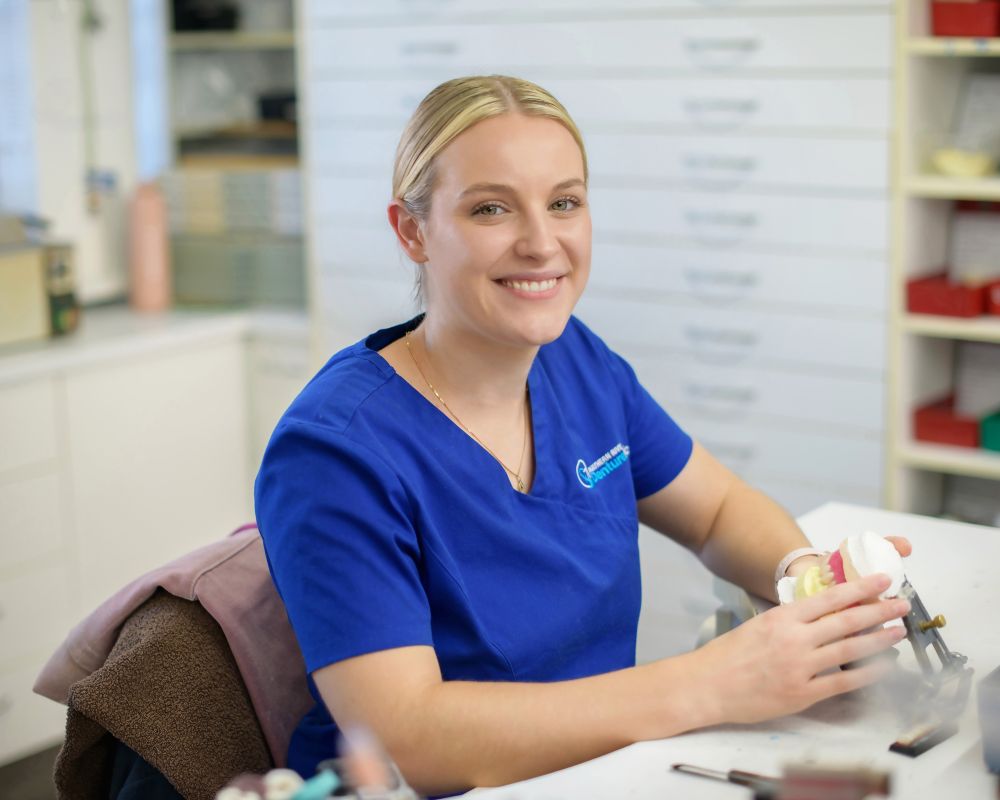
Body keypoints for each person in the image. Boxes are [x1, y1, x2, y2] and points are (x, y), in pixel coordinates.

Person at [254, 75, 911, 798]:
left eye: (564, 203)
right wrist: (713, 684)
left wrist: (813, 586)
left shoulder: (578, 364)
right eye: (491, 209)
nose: (542, 244)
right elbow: (406, 737)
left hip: (605, 773)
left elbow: (720, 511)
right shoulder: (333, 452)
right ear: (412, 230)